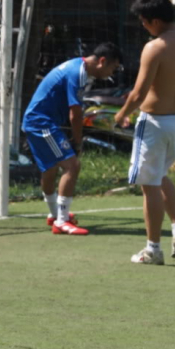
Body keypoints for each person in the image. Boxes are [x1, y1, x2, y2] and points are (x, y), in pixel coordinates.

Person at [114, 0, 175, 265]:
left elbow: (139, 93)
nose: (143, 26)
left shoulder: (155, 47)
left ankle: (153, 249)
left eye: (143, 22)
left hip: (154, 122)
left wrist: (121, 114)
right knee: (160, 176)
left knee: (148, 184)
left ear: (154, 20)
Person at [23, 43, 122, 235]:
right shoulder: (77, 73)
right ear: (102, 62)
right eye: (113, 68)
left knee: (50, 168)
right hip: (42, 123)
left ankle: (55, 215)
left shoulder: (77, 66)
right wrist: (78, 142)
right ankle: (61, 221)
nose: (112, 73)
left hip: (37, 121)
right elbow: (75, 114)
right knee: (72, 166)